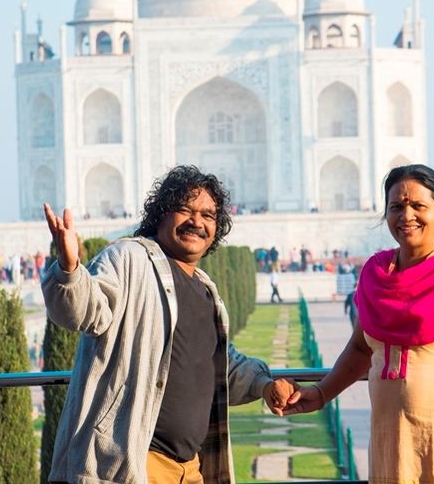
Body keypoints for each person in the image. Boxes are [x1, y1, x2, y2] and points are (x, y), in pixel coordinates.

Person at [277, 164, 434, 483]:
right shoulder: (375, 274)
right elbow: (361, 348)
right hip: (391, 441)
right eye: (396, 207)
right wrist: (321, 393)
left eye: (418, 206)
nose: (406, 216)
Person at [41, 165, 292, 484]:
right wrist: (69, 268)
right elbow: (84, 310)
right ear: (160, 214)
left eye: (208, 215)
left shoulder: (205, 289)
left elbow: (219, 365)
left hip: (190, 469)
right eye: (185, 209)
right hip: (132, 463)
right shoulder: (129, 259)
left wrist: (264, 384)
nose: (197, 221)